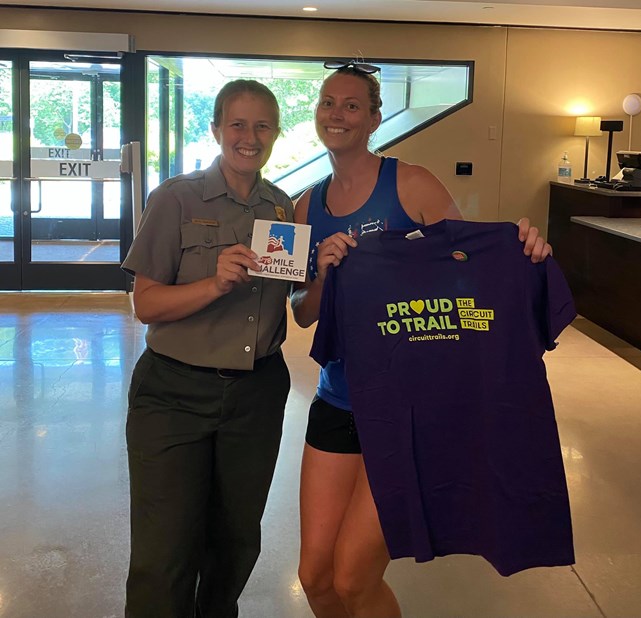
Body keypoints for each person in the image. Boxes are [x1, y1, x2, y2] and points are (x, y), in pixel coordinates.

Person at [290, 61, 553, 618]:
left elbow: (467, 277)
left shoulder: (410, 183)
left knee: (354, 578)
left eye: (352, 105)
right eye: (328, 103)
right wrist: (322, 276)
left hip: (410, 413)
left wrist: (520, 250)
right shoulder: (305, 206)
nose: (337, 114)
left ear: (374, 118)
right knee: (315, 578)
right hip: (337, 402)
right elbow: (303, 314)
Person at [121, 79, 293, 618]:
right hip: (174, 393)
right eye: (237, 124)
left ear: (276, 133)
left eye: (262, 124)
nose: (249, 136)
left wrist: (328, 270)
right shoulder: (175, 198)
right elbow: (145, 304)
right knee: (164, 549)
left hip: (256, 395)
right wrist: (213, 284)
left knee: (236, 542)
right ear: (216, 129)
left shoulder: (283, 209)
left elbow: (299, 304)